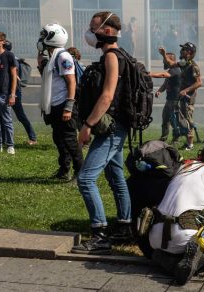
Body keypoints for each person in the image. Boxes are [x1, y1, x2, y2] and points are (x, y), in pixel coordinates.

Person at [71, 11, 132, 254]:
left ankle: (100, 235)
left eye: (92, 27)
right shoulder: (121, 55)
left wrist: (86, 126)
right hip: (117, 126)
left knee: (86, 179)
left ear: (106, 31)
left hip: (111, 128)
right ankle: (125, 226)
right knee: (116, 176)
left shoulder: (111, 57)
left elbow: (107, 96)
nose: (89, 31)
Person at [148, 127, 204, 285]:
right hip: (184, 236)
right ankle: (201, 256)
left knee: (176, 247)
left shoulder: (185, 165)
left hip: (154, 237)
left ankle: (169, 261)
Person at [37, 23, 82, 180]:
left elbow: (71, 82)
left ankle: (80, 172)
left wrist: (68, 107)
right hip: (55, 105)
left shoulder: (63, 56)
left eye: (44, 36)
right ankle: (64, 170)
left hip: (64, 105)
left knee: (70, 140)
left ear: (52, 37)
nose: (41, 39)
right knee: (59, 138)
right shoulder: (53, 56)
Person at [160, 42, 202, 150]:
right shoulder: (184, 64)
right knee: (182, 118)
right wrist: (164, 55)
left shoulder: (193, 66)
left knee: (188, 119)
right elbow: (171, 64)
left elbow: (199, 82)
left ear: (190, 53)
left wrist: (186, 90)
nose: (181, 51)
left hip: (189, 98)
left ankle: (190, 144)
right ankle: (187, 141)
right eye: (182, 49)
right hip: (182, 97)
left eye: (184, 50)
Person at [2, 40, 37, 145]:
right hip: (8, 90)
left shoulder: (10, 58)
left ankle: (33, 138)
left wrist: (12, 94)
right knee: (3, 114)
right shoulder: (11, 57)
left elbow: (14, 76)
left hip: (14, 91)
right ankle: (3, 139)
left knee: (20, 115)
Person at [149, 52, 182, 143]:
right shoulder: (171, 70)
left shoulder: (175, 70)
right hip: (169, 99)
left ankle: (176, 139)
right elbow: (166, 83)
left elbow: (163, 75)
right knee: (165, 118)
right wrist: (160, 90)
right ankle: (164, 138)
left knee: (173, 120)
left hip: (174, 100)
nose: (163, 63)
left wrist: (150, 74)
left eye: (165, 60)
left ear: (170, 60)